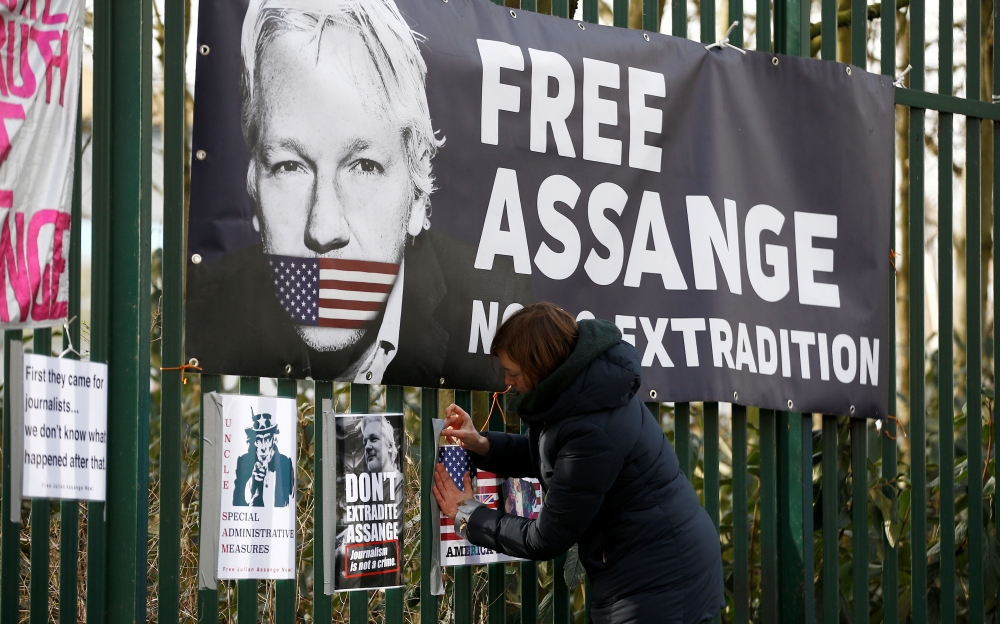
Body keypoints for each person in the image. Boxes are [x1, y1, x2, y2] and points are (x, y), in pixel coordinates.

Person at [184, 0, 532, 388]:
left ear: (417, 194)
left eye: (364, 166)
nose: (324, 227)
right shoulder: (205, 308)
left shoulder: (493, 298)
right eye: (289, 167)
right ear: (252, 184)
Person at [432, 303, 725, 624]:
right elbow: (557, 457)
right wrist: (483, 445)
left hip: (658, 582)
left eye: (513, 373)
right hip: (657, 564)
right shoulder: (586, 391)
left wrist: (468, 513)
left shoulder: (590, 425)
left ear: (542, 367)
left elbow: (546, 537)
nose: (507, 382)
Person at [233, 409, 295, 507]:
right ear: (254, 442)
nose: (263, 447)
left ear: (273, 439)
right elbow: (236, 501)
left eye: (266, 439)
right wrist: (252, 482)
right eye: (258, 440)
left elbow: (290, 503)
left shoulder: (285, 462)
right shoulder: (243, 462)